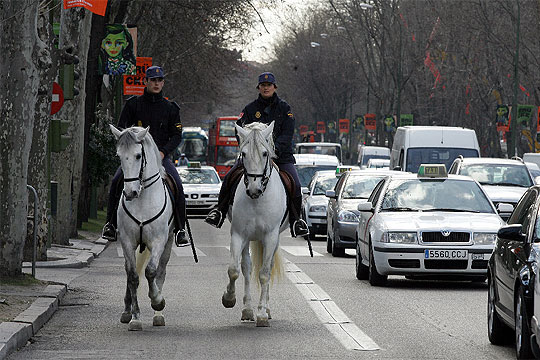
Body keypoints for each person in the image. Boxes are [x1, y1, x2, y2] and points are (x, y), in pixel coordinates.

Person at [204, 72, 309, 237]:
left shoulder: (285, 109)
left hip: (281, 157)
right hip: (253, 158)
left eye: (269, 85)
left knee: (295, 185)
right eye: (263, 85)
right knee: (229, 179)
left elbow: (287, 134)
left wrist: (273, 152)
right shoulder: (249, 109)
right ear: (259, 87)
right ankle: (220, 212)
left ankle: (297, 220)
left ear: (275, 87)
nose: (266, 88)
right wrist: (247, 150)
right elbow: (238, 129)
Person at [102, 65, 188, 245]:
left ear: (163, 83)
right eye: (153, 80)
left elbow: (177, 135)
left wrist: (164, 152)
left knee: (178, 185)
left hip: (161, 158)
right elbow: (121, 128)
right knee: (117, 181)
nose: (156, 84)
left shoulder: (171, 108)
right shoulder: (133, 104)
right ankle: (110, 223)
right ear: (146, 82)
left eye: (159, 81)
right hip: (135, 158)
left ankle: (180, 229)